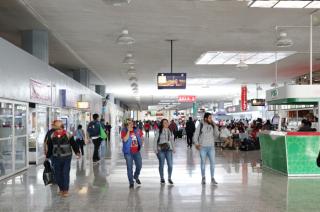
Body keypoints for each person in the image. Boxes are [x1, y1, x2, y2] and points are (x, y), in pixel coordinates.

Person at [46, 120, 80, 197]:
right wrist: (47, 156)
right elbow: (50, 147)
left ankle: (65, 190)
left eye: (54, 125)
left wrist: (77, 152)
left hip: (67, 157)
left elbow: (73, 144)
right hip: (56, 157)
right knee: (57, 174)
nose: (52, 126)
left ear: (58, 126)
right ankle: (61, 189)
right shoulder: (52, 135)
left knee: (65, 173)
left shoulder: (68, 134)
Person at [193, 112, 220, 185]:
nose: (211, 119)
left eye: (211, 118)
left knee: (213, 163)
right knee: (203, 163)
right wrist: (196, 143)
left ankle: (212, 178)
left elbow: (217, 135)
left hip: (211, 147)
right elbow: (195, 134)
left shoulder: (212, 125)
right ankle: (203, 177)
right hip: (203, 147)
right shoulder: (201, 125)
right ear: (205, 118)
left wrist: (215, 125)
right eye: (210, 118)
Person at [121, 119, 143, 189]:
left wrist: (141, 143)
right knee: (129, 168)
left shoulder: (137, 130)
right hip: (128, 153)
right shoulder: (124, 131)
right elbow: (125, 139)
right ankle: (131, 182)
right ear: (126, 125)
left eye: (132, 123)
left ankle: (136, 176)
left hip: (136, 151)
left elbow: (142, 137)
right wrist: (128, 131)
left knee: (139, 165)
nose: (131, 124)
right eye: (129, 123)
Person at [154, 119, 175, 185]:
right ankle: (162, 178)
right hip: (161, 150)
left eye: (167, 122)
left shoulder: (170, 131)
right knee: (161, 164)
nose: (166, 124)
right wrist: (155, 149)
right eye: (165, 123)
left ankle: (169, 178)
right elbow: (155, 140)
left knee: (170, 165)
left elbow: (172, 140)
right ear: (162, 124)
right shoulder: (159, 131)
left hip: (169, 149)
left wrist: (173, 148)